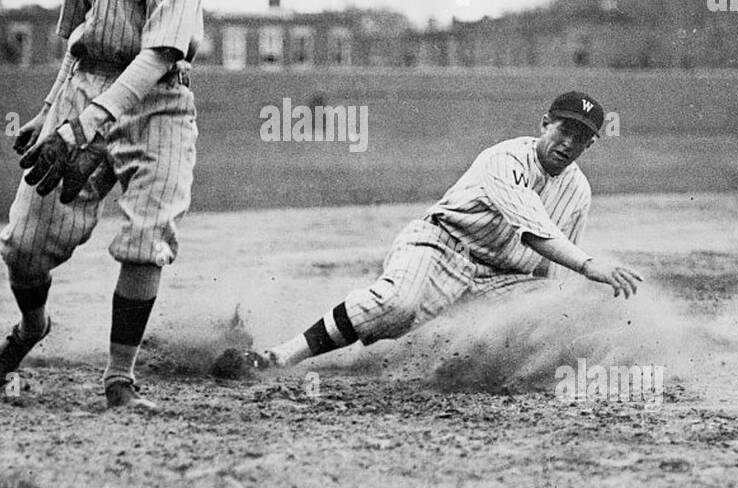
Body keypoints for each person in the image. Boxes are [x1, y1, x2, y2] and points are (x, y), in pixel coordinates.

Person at [0, 0, 206, 412]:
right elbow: (77, 35)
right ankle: (32, 328)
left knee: (145, 239)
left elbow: (160, 52)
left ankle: (119, 377)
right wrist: (52, 108)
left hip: (157, 100)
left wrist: (87, 126)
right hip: (86, 84)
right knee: (23, 245)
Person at [212, 92, 644, 376]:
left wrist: (551, 317)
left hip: (498, 279)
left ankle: (408, 358)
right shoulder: (505, 159)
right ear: (545, 123)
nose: (570, 142)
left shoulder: (578, 191)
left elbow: (552, 273)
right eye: (565, 129)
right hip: (441, 246)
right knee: (398, 305)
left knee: (543, 323)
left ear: (590, 146)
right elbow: (534, 235)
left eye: (582, 137)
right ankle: (276, 356)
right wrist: (590, 264)